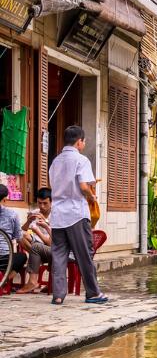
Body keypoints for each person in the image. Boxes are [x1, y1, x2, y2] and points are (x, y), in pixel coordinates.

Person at [49, 126, 108, 305]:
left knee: (58, 255)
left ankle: (58, 295)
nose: (84, 143)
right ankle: (93, 293)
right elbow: (84, 186)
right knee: (84, 255)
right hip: (76, 213)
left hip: (58, 215)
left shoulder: (55, 161)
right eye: (84, 140)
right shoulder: (81, 160)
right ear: (79, 141)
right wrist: (91, 196)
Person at [17, 188, 53, 294]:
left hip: (50, 247)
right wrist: (28, 221)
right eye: (39, 203)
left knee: (36, 247)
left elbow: (51, 243)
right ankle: (38, 258)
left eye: (45, 203)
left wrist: (44, 224)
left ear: (52, 202)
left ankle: (33, 280)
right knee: (20, 235)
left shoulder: (56, 215)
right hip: (37, 244)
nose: (41, 206)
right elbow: (23, 229)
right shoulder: (35, 212)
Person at [0, 184, 26, 284]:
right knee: (22, 256)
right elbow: (19, 238)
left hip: (6, 258)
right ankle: (5, 281)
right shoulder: (12, 214)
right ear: (5, 198)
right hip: (6, 260)